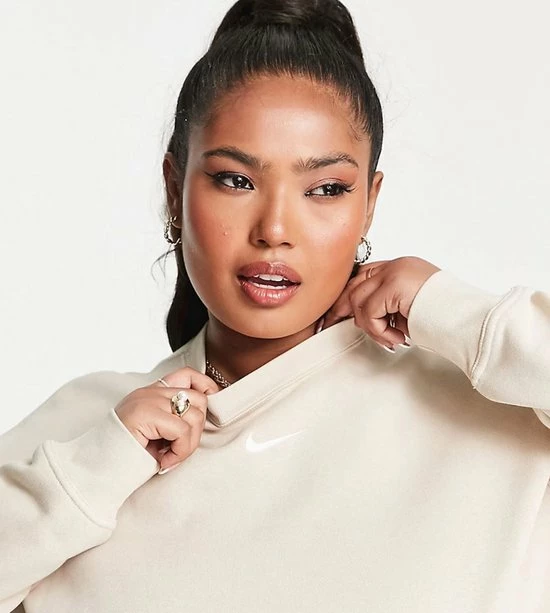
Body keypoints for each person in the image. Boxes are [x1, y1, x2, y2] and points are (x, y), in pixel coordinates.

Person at [1, 0, 550, 611]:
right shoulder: (88, 432)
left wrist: (458, 315)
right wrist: (95, 470)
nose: (275, 230)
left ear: (369, 204)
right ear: (174, 189)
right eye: (236, 180)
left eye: (326, 189)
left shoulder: (493, 411)